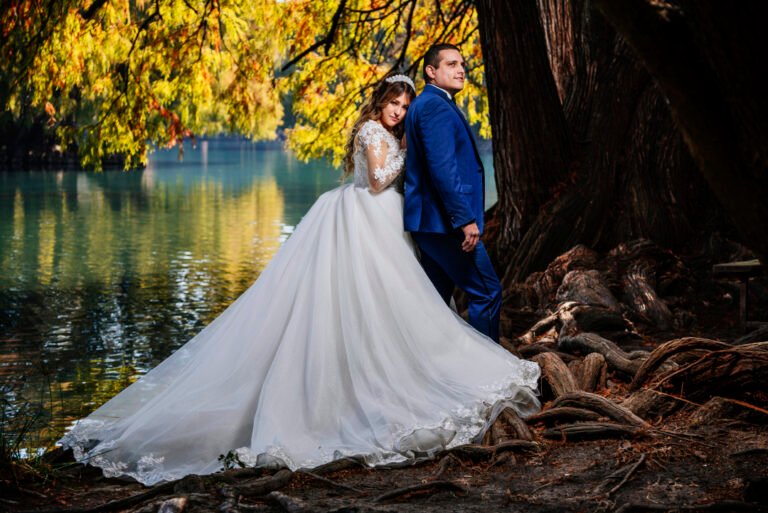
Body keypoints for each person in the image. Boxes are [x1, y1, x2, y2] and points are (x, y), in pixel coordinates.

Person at [59, 75, 540, 486]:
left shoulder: (385, 129)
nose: (397, 112)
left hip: (382, 221)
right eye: (393, 105)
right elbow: (376, 180)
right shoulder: (375, 131)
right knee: (368, 298)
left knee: (394, 300)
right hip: (366, 216)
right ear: (379, 104)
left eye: (403, 108)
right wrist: (407, 151)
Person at [404, 43, 503, 343]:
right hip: (446, 224)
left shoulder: (431, 103)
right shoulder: (434, 105)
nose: (461, 69)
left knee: (433, 302)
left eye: (462, 64)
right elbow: (442, 169)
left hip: (432, 224)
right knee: (487, 292)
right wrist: (465, 219)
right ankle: (488, 376)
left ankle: (424, 371)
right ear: (431, 72)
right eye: (451, 64)